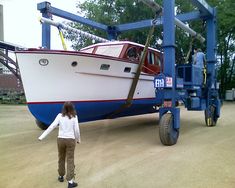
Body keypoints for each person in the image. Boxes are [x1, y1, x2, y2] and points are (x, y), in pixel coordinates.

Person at [38, 102, 81, 188]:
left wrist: (41, 137)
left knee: (61, 157)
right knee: (70, 159)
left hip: (60, 140)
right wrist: (78, 139)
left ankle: (61, 176)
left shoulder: (59, 116)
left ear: (64, 108)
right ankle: (70, 181)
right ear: (72, 108)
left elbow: (52, 126)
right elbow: (76, 130)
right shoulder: (74, 117)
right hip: (70, 140)